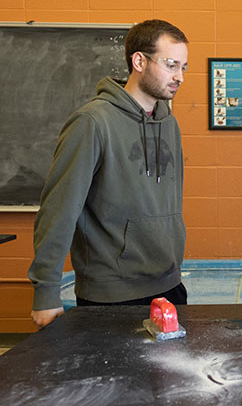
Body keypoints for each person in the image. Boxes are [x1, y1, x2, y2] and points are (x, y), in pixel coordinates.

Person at [28, 19, 190, 328]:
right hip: (112, 295)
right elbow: (59, 209)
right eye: (171, 65)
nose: (179, 77)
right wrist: (46, 291)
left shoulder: (169, 124)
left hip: (169, 287)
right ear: (139, 61)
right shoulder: (92, 122)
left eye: (183, 67)